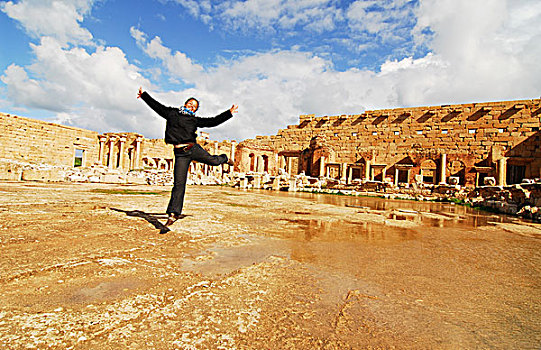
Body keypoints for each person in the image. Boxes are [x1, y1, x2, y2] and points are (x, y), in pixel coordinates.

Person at [137, 87, 238, 227]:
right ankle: (173, 214)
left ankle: (224, 158)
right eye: (190, 103)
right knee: (179, 184)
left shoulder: (194, 120)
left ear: (195, 110)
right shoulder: (171, 113)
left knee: (214, 161)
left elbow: (213, 121)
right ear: (185, 104)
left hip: (193, 148)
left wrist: (229, 113)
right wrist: (144, 96)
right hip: (180, 154)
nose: (192, 106)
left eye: (194, 106)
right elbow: (157, 106)